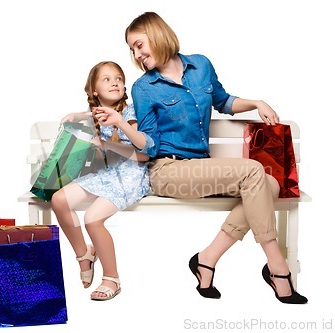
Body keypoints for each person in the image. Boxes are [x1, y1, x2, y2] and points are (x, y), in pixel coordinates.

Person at [120, 11, 307, 304]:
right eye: (132, 49)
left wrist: (257, 102)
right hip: (168, 171)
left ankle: (206, 259)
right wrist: (122, 128)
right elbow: (149, 145)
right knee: (255, 174)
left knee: (269, 186)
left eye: (139, 45)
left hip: (203, 168)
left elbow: (223, 101)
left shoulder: (201, 65)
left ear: (158, 35)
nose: (137, 54)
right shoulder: (144, 87)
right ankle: (278, 267)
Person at [51, 61, 150, 301]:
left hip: (130, 176)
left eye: (118, 77)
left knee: (92, 218)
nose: (115, 81)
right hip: (107, 175)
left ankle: (112, 278)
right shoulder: (95, 114)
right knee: (59, 200)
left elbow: (142, 153)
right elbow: (84, 121)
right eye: (106, 79)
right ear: (94, 90)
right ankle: (84, 254)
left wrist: (105, 143)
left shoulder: (131, 112)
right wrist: (76, 116)